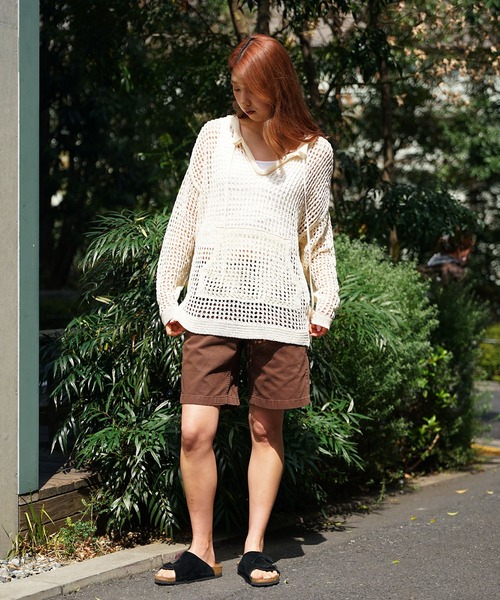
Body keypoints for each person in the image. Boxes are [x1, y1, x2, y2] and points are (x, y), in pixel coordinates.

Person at [154, 33, 340, 587]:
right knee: (194, 432)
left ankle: (255, 548)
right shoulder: (215, 137)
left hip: (279, 309)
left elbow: (316, 238)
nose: (243, 101)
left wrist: (325, 299)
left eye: (252, 90)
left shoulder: (314, 151)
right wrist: (169, 293)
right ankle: (201, 549)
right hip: (210, 304)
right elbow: (185, 217)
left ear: (278, 85)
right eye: (236, 89)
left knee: (265, 429)